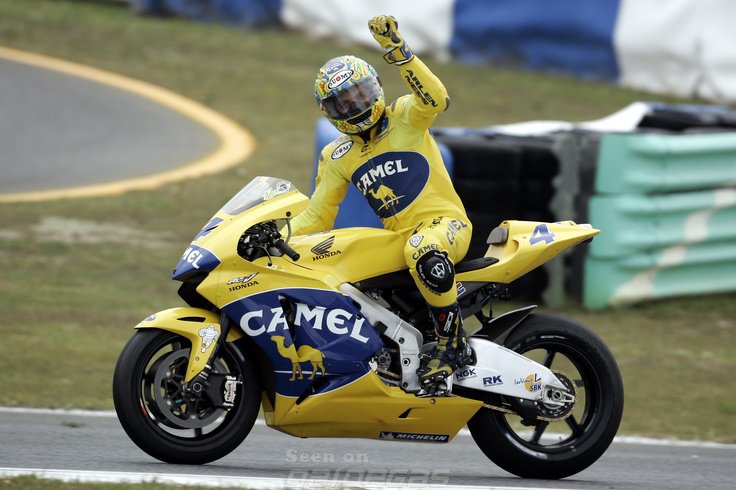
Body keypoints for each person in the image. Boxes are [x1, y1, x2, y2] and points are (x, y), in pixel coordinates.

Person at [290, 15, 473, 392]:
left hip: (445, 226)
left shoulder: (405, 116)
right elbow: (317, 216)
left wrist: (396, 49)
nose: (354, 106)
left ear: (375, 88)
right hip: (397, 239)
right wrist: (277, 239)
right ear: (328, 112)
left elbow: (438, 98)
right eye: (341, 103)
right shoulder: (337, 155)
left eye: (358, 94)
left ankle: (453, 342)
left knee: (421, 247)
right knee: (342, 270)